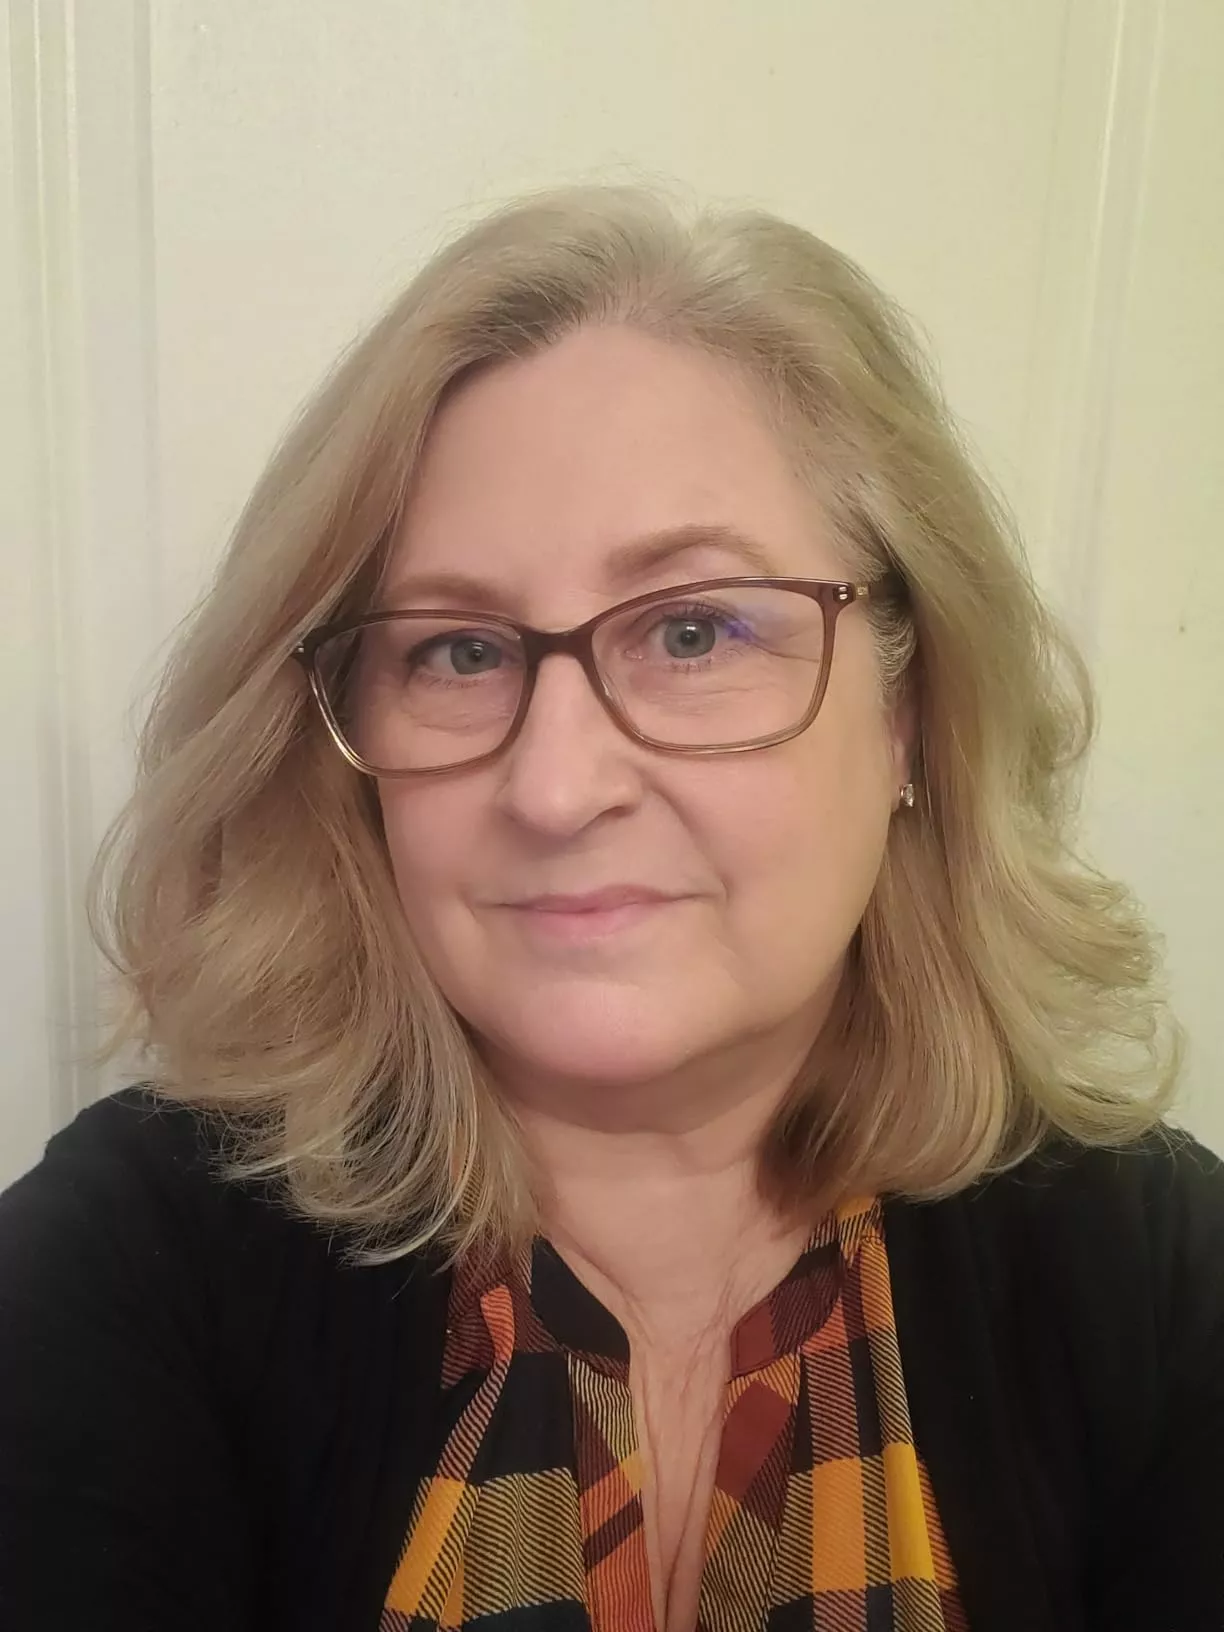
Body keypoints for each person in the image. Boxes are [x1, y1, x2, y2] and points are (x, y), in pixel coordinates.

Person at [0, 185, 1220, 1632]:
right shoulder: (128, 1271)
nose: (557, 785)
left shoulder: (1161, 1287)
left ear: (908, 717)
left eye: (694, 630)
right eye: (458, 651)